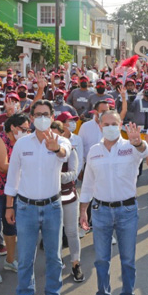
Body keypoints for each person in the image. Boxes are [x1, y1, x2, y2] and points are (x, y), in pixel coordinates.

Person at [4, 100, 71, 295]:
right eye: (38, 114)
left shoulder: (60, 140)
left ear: (52, 117)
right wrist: (9, 205)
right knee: (25, 258)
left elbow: (65, 154)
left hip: (52, 207)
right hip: (26, 207)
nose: (42, 118)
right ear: (31, 118)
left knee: (54, 257)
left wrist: (56, 148)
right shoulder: (22, 144)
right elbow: (13, 176)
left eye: (46, 114)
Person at [79, 116, 148, 295]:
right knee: (101, 259)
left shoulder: (131, 147)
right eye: (106, 124)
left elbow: (144, 151)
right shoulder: (94, 151)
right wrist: (83, 210)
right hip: (100, 211)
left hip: (127, 211)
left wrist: (139, 142)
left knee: (127, 259)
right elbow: (88, 183)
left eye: (114, 124)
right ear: (100, 126)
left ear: (120, 125)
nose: (110, 127)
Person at [0, 113, 27, 285]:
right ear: (13, 127)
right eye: (23, 129)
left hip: (13, 192)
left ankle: (10, 260)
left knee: (11, 227)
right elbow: (2, 166)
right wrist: (27, 164)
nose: (26, 132)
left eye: (28, 129)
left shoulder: (20, 143)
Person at [50, 120, 83, 282]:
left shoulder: (71, 150)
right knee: (54, 233)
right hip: (50, 198)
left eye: (56, 134)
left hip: (68, 196)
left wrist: (57, 176)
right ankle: (57, 262)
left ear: (62, 134)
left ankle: (76, 263)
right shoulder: (43, 150)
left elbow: (73, 174)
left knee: (71, 231)